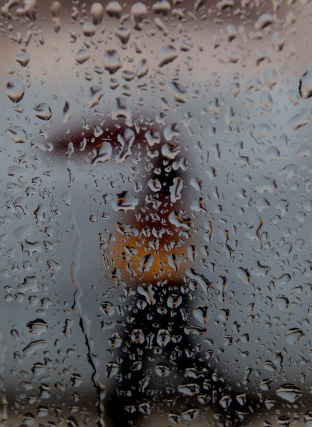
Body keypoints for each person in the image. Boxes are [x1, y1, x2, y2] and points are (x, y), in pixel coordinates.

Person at [48, 118, 252, 426]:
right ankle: (230, 403)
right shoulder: (165, 201)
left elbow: (160, 230)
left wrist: (133, 222)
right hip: (157, 286)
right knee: (163, 352)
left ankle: (126, 412)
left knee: (142, 352)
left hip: (163, 288)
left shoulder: (165, 205)